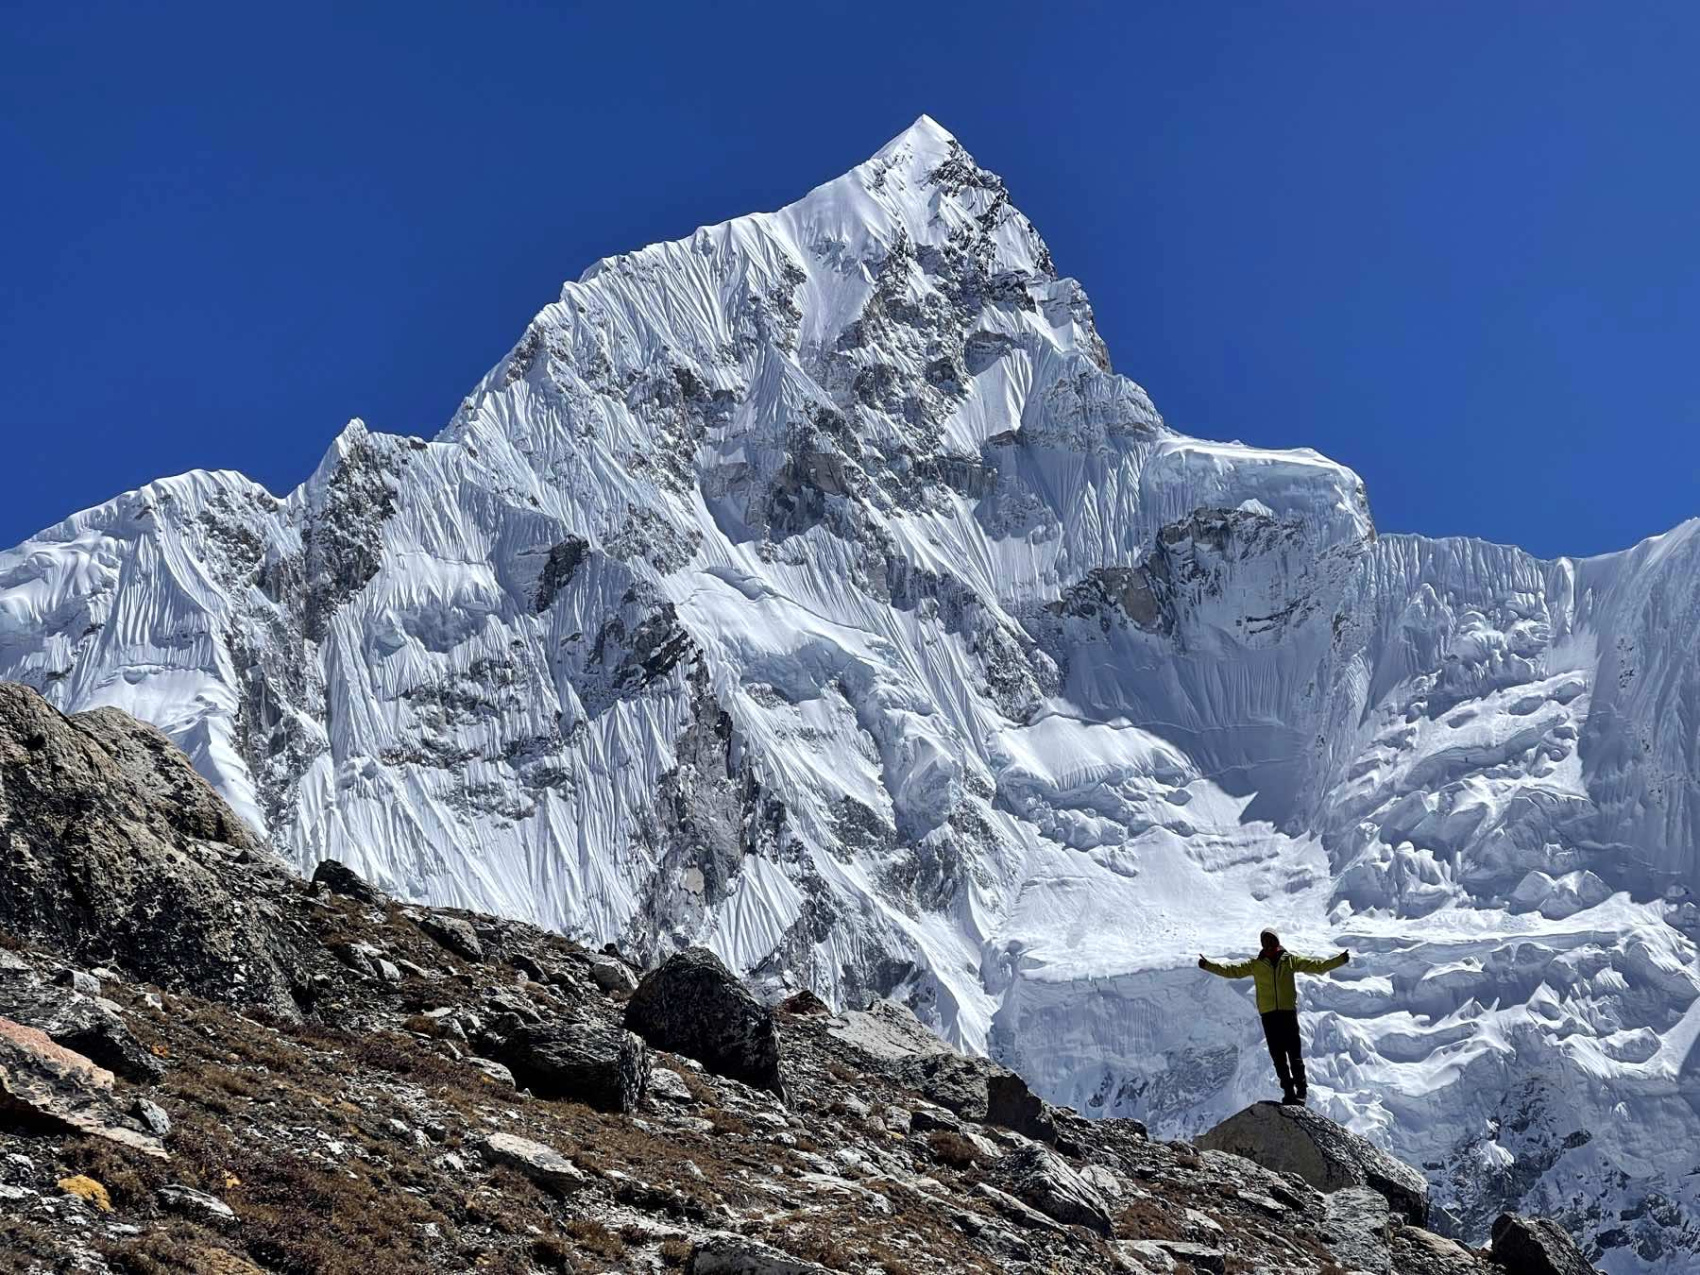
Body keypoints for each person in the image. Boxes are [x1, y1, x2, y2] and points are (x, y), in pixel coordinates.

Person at [1198, 930, 1349, 1106]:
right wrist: (1208, 965)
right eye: (1265, 941)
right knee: (1278, 1056)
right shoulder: (1256, 964)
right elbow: (1231, 971)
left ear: (1277, 941)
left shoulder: (1290, 961)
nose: (1268, 944)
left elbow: (1317, 966)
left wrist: (1340, 960)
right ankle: (1289, 1092)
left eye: (1271, 940)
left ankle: (1301, 1091)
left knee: (1294, 1054)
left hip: (1287, 1013)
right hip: (1269, 1015)